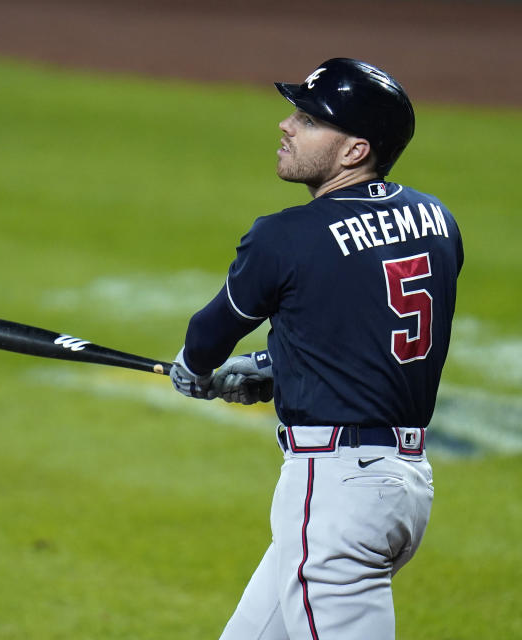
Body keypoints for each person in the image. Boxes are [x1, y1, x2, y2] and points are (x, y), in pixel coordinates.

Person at [170, 58, 464, 640]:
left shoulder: (285, 236)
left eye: (308, 119)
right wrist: (271, 371)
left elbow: (206, 338)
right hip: (401, 488)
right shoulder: (436, 219)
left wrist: (194, 371)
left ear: (355, 150)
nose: (286, 125)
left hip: (335, 494)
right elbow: (364, 336)